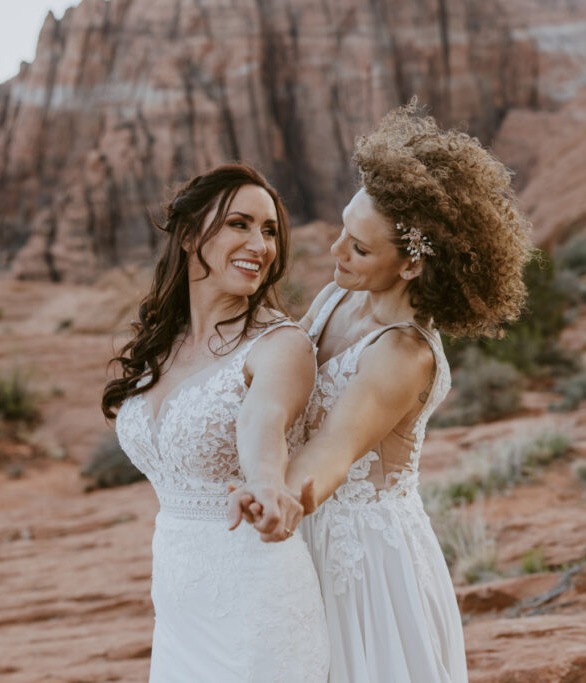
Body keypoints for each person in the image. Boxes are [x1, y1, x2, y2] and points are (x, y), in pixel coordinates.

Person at [231, 102, 532, 682]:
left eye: (360, 248)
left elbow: (334, 450)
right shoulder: (340, 295)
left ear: (413, 265)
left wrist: (273, 495)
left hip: (364, 562)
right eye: (345, 229)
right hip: (304, 531)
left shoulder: (403, 355)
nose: (337, 252)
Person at [103, 164, 329, 682]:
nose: (261, 244)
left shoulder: (279, 345)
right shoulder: (162, 343)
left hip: (257, 600)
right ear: (187, 236)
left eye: (270, 230)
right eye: (239, 224)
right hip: (178, 607)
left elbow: (264, 421)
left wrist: (267, 484)